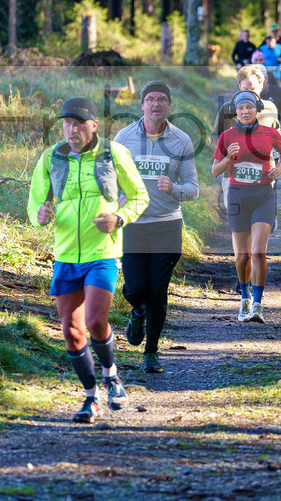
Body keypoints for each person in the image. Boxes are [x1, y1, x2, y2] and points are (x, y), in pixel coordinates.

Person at [28, 97, 151, 423]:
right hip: (66, 254)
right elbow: (35, 201)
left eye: (79, 123)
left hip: (102, 253)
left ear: (93, 125)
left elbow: (140, 196)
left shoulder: (113, 153)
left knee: (96, 320)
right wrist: (39, 214)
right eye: (67, 123)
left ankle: (111, 375)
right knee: (71, 330)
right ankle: (90, 396)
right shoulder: (52, 156)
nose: (72, 129)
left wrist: (118, 218)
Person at [114, 81, 199, 374]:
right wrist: (118, 196)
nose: (156, 104)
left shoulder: (181, 140)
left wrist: (173, 188)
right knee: (137, 288)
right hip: (133, 224)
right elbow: (107, 180)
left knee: (158, 291)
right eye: (150, 99)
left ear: (169, 106)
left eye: (162, 99)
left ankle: (151, 352)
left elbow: (193, 189)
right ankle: (137, 311)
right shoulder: (123, 138)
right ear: (141, 105)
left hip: (167, 225)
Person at [212, 90, 281, 323]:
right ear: (235, 112)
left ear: (257, 110)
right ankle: (244, 298)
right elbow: (215, 170)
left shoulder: (270, 133)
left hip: (263, 195)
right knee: (242, 256)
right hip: (237, 196)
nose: (245, 112)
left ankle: (257, 304)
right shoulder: (226, 136)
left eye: (249, 108)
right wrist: (228, 159)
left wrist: (280, 168)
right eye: (241, 108)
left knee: (258, 252)